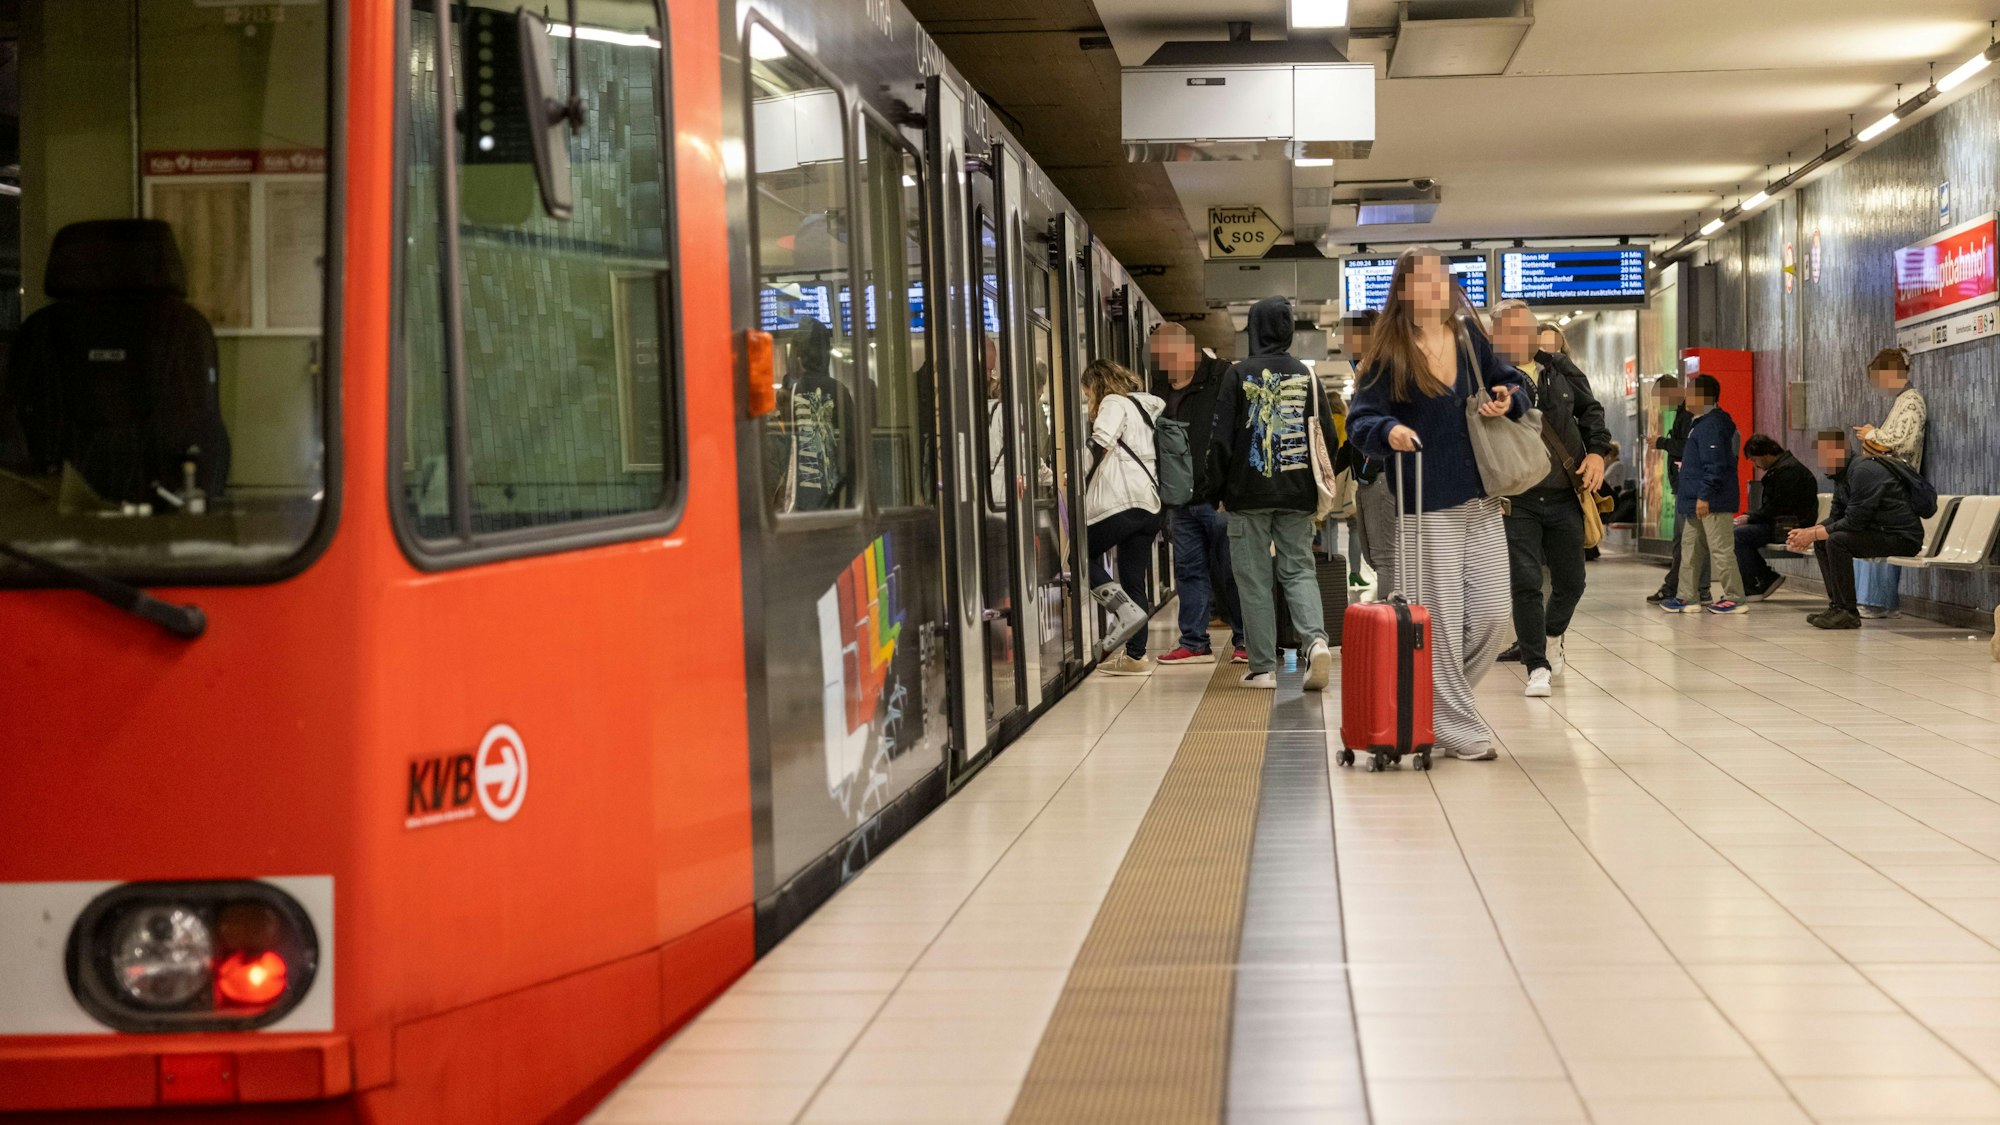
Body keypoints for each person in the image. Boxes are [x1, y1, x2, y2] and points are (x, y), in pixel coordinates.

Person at [1348, 248, 1530, 761]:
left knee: (1494, 617)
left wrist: (1508, 397)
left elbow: (1515, 383)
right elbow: (1360, 421)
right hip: (1426, 506)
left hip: (1482, 500)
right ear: (1404, 290)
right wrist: (1389, 429)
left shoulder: (1470, 337)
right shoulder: (1390, 352)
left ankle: (1428, 705)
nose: (1437, 287)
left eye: (1442, 278)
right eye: (1424, 280)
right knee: (1441, 625)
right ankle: (1453, 725)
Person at [1208, 294, 1338, 691]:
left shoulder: (1238, 375)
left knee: (1253, 580)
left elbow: (1221, 441)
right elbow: (1328, 439)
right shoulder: (1308, 376)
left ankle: (1263, 668)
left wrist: (1215, 490)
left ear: (1254, 329)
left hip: (1247, 495)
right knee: (1299, 569)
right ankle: (1315, 642)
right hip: (1297, 495)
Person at [1491, 305, 1609, 697]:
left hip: (1564, 493)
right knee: (1525, 582)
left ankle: (1552, 633)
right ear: (1496, 334)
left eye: (1525, 327)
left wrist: (1597, 453)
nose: (1521, 335)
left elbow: (1591, 412)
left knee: (1572, 581)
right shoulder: (1486, 375)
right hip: (1516, 497)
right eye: (1511, 329)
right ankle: (1536, 665)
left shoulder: (1559, 368)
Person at [1149, 323, 1244, 665]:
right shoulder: (1161, 387)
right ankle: (1194, 641)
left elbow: (1240, 434)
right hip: (1180, 500)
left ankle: (1246, 640)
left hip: (1219, 499)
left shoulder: (1223, 377)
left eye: (1169, 356)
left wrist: (1231, 488)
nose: (1165, 364)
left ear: (1189, 350)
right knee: (1189, 571)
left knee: (1232, 571)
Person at [1786, 431, 1924, 631]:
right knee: (1824, 540)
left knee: (1836, 541)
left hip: (1901, 537)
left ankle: (1847, 612)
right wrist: (1807, 532)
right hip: (1879, 532)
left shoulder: (1863, 471)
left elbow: (1854, 522)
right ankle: (1837, 607)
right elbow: (1836, 516)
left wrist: (1811, 534)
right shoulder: (1842, 474)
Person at [1082, 359, 1165, 674]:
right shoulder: (1147, 408)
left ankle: (1123, 612)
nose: (1089, 399)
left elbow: (1100, 442)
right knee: (1133, 579)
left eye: (1088, 392)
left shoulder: (1114, 403)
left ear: (1098, 385)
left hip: (1122, 502)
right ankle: (1135, 656)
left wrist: (1073, 475)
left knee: (1079, 556)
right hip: (1151, 505)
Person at [1661, 373, 1747, 614]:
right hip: (1694, 500)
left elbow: (1715, 465)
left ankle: (1735, 598)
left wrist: (1704, 495)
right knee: (1691, 550)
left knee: (1720, 550)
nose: (1686, 397)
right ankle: (1687, 597)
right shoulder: (1699, 424)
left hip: (1711, 501)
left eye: (1690, 393)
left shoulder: (1713, 425)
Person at [1852, 347, 1928, 620]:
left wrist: (1872, 433)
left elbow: (1903, 441)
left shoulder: (1912, 401)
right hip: (1887, 483)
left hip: (1896, 485)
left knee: (1879, 538)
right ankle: (1870, 598)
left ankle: (1877, 600)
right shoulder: (1902, 401)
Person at [1340, 312, 1398, 599]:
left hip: (1382, 475)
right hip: (1369, 477)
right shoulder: (1365, 371)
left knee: (1384, 558)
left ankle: (1394, 620)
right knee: (1374, 556)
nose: (1345, 342)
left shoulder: (1383, 371)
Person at [1734, 433, 1818, 600]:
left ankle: (1758, 583)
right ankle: (1764, 578)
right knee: (1739, 534)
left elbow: (1778, 506)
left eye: (1754, 460)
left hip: (1790, 526)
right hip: (1784, 523)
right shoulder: (1783, 469)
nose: (1755, 465)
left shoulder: (1789, 472)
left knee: (1738, 536)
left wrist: (1750, 518)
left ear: (1765, 454)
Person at [1648, 374, 1708, 602]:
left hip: (1691, 486)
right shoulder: (1682, 413)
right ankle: (1682, 587)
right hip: (1684, 486)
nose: (1662, 405)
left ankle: (1692, 589)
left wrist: (1661, 443)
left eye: (1662, 398)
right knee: (1683, 541)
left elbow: (1689, 448)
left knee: (1689, 541)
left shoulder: (1690, 414)